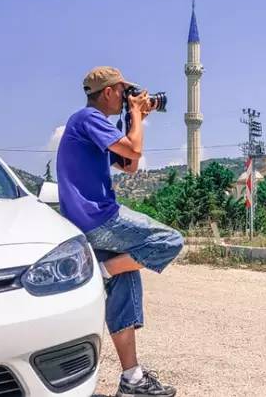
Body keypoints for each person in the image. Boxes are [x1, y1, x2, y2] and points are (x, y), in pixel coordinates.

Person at [57, 66, 183, 397]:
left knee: (126, 283)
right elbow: (135, 150)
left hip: (89, 219)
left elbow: (129, 165)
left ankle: (132, 379)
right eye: (124, 92)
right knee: (170, 240)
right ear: (109, 91)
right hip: (98, 217)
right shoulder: (87, 118)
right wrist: (139, 114)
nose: (128, 97)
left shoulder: (95, 126)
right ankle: (102, 271)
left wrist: (133, 117)